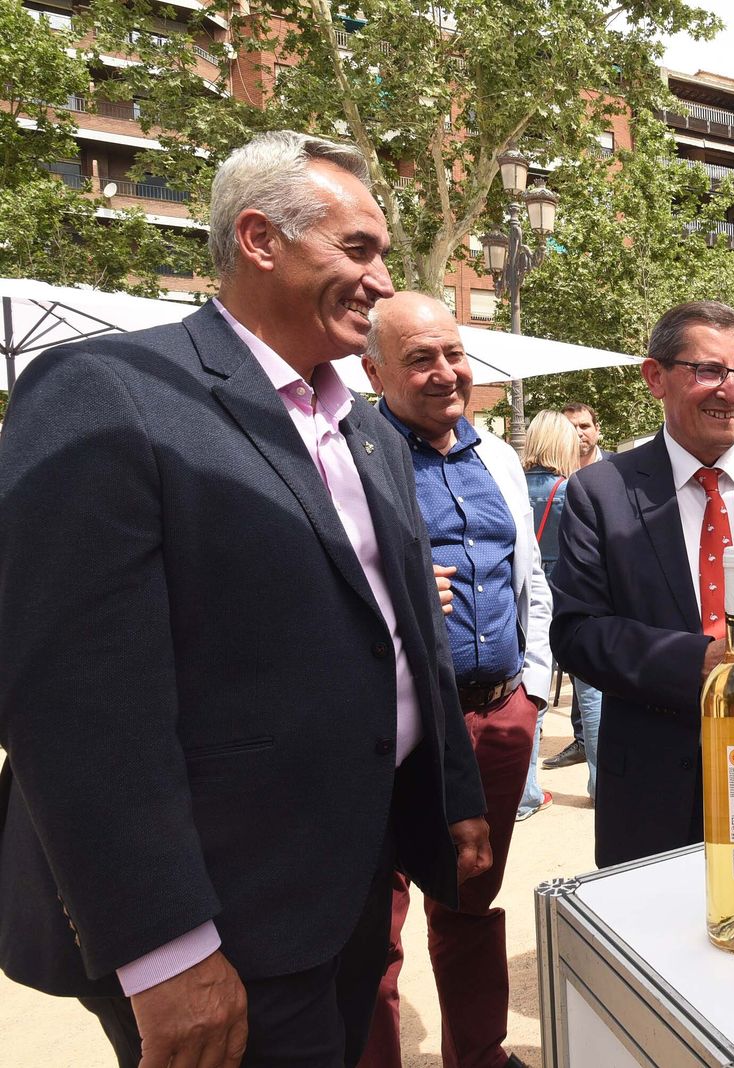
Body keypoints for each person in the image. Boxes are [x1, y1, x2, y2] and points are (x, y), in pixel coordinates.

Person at [0, 131, 489, 1067]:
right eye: (359, 249)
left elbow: (407, 635)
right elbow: (72, 702)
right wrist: (167, 952)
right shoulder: (107, 392)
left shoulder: (367, 431)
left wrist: (450, 797)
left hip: (346, 888)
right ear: (261, 239)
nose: (383, 281)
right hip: (224, 922)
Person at [550, 301, 734, 867]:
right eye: (709, 370)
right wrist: (700, 662)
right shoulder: (601, 493)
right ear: (655, 377)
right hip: (659, 784)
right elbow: (577, 633)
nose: (731, 390)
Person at [357, 292, 551, 1068]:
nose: (446, 372)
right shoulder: (351, 457)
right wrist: (393, 594)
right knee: (376, 922)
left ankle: (480, 1056)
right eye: (420, 359)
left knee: (471, 900)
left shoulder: (497, 457)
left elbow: (529, 578)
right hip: (392, 727)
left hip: (496, 721)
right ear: (373, 372)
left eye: (454, 353)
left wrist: (531, 693)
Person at [519, 410, 583, 813]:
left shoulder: (508, 482)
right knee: (589, 690)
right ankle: (599, 781)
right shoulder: (572, 489)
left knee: (529, 683)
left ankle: (523, 789)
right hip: (565, 591)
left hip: (523, 593)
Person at [542, 404, 607, 779]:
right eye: (571, 427)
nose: (579, 433)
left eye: (584, 425)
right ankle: (584, 745)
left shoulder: (614, 469)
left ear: (596, 429)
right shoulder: (559, 481)